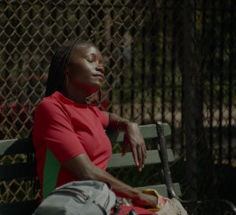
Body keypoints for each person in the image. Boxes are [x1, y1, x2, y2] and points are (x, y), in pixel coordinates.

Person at [31, 38, 158, 208]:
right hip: (66, 208)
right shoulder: (51, 108)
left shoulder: (89, 110)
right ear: (65, 68)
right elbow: (86, 171)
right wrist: (138, 195)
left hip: (96, 203)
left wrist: (129, 125)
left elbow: (109, 118)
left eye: (101, 62)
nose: (100, 67)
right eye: (91, 60)